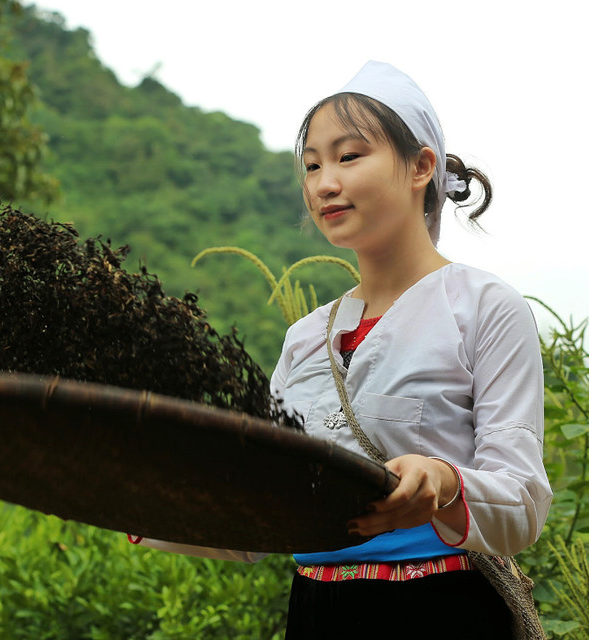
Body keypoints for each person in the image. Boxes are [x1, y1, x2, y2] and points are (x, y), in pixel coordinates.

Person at [132, 61, 552, 639]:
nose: (324, 182)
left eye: (349, 156)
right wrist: (131, 499)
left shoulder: (484, 307)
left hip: (443, 610)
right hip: (316, 614)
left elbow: (523, 503)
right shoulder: (306, 337)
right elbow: (260, 513)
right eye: (311, 165)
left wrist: (443, 481)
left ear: (421, 166)